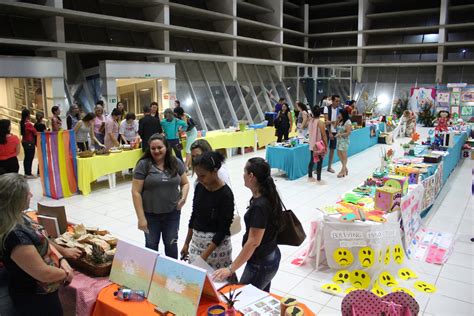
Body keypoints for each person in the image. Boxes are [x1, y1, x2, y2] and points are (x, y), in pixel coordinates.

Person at [0, 173, 74, 315]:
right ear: (16, 199)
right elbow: (43, 273)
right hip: (34, 298)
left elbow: (43, 239)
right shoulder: (15, 235)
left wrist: (62, 258)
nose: (32, 194)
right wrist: (65, 273)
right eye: (27, 193)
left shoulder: (19, 215)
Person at [213, 158, 282, 292]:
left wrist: (230, 269)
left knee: (242, 300)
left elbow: (253, 243)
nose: (242, 175)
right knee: (260, 297)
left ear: (251, 176)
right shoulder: (268, 195)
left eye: (244, 171)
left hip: (261, 263)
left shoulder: (259, 206)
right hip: (271, 254)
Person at [132, 134, 190, 258]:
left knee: (171, 245)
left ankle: (171, 274)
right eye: (153, 148)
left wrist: (183, 198)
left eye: (160, 147)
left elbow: (185, 183)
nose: (156, 151)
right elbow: (136, 192)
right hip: (150, 215)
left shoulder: (176, 162)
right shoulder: (143, 165)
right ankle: (150, 274)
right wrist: (141, 218)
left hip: (172, 214)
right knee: (151, 246)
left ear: (166, 147)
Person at [181, 151, 234, 272]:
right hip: (197, 242)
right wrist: (186, 243)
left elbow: (223, 230)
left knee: (216, 284)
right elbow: (194, 215)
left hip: (217, 247)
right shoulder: (199, 187)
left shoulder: (226, 194)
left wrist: (203, 257)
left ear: (214, 171)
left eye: (203, 176)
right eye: (197, 176)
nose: (199, 179)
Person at [307, 106, 328, 183]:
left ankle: (310, 177)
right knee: (319, 162)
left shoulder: (310, 121)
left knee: (312, 161)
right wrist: (326, 145)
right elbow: (324, 135)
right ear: (320, 113)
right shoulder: (320, 122)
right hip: (319, 145)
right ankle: (318, 179)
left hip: (312, 144)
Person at [174, 107, 197, 172]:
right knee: (189, 149)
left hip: (192, 133)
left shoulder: (184, 116)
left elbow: (185, 127)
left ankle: (185, 167)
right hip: (189, 133)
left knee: (187, 149)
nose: (175, 114)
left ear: (178, 112)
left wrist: (178, 131)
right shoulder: (182, 116)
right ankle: (190, 165)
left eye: (175, 112)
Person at [323, 95, 342, 173]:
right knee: (323, 149)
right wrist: (330, 132)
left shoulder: (339, 110)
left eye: (338, 101)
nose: (338, 103)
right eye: (336, 101)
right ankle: (319, 167)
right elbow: (326, 122)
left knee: (332, 150)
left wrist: (338, 123)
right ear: (333, 101)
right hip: (327, 131)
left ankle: (329, 167)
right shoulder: (327, 108)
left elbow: (338, 122)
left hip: (335, 132)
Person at [20, 109, 37, 179]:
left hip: (25, 141)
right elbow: (35, 132)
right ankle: (28, 173)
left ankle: (27, 172)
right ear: (28, 115)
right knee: (29, 157)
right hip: (29, 142)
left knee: (27, 157)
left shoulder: (22, 123)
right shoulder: (28, 124)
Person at [336, 108, 352, 178]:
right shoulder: (341, 120)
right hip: (339, 140)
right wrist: (337, 120)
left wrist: (340, 135)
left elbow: (348, 133)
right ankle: (345, 168)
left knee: (344, 155)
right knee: (339, 154)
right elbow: (334, 127)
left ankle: (342, 171)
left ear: (343, 114)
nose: (339, 115)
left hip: (344, 141)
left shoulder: (348, 122)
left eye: (340, 113)